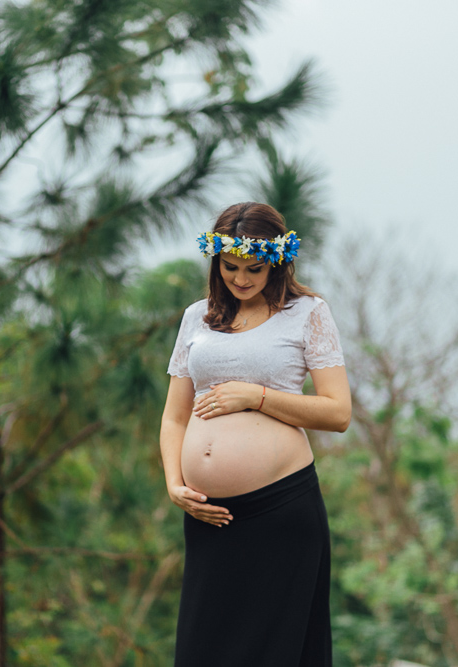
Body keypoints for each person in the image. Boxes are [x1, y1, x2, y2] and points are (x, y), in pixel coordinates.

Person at [160, 202, 351, 666]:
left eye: (254, 268)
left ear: (278, 262)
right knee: (204, 649)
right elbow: (174, 417)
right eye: (230, 267)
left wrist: (256, 396)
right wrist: (174, 483)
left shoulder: (308, 313)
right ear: (215, 261)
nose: (241, 278)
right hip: (208, 517)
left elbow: (338, 412)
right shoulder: (196, 318)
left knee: (274, 650)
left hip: (280, 511)